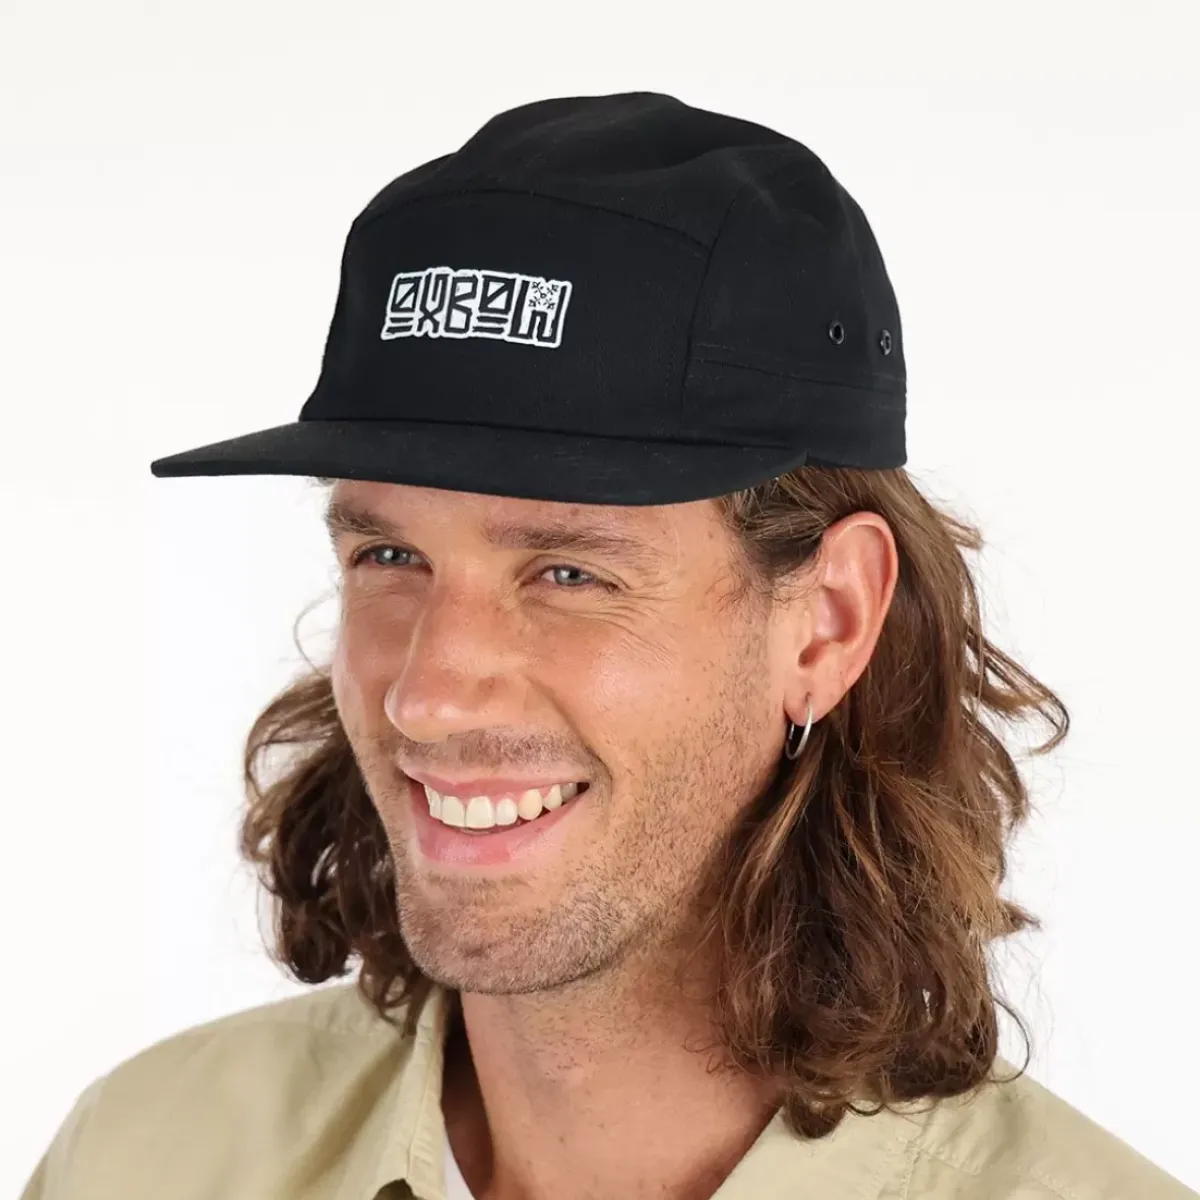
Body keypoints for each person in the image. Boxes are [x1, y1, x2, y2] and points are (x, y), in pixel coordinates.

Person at [21, 92, 1195, 1200]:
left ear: (829, 622)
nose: (427, 695)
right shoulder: (147, 1158)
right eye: (388, 555)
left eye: (570, 573)